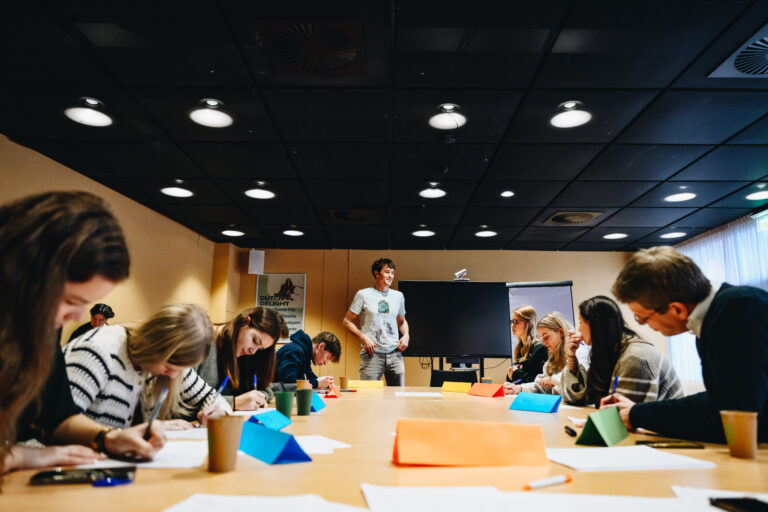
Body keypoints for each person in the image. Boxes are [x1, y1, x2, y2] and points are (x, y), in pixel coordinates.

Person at [0, 191, 165, 476]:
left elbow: (57, 417)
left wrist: (107, 437)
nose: (77, 317)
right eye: (71, 301)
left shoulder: (41, 323)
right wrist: (20, 455)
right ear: (23, 275)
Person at [603, 246, 768, 443]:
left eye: (642, 319)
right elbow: (724, 397)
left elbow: (732, 412)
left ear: (677, 310)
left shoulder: (737, 312)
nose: (646, 325)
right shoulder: (720, 313)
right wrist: (637, 411)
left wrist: (637, 414)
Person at [64, 303, 230, 429]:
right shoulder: (98, 350)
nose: (173, 375)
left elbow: (213, 398)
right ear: (155, 344)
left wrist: (217, 411)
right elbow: (59, 425)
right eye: (170, 367)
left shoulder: (170, 362)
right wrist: (133, 433)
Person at [562, 295, 683, 407]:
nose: (579, 329)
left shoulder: (635, 358)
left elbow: (621, 417)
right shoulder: (610, 352)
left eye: (580, 322)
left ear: (595, 326)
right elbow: (581, 397)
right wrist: (571, 358)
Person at [197, 307, 288, 411]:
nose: (252, 351)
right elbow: (187, 402)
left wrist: (256, 399)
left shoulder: (244, 353)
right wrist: (234, 403)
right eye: (255, 340)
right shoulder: (200, 339)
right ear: (245, 321)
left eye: (260, 349)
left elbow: (266, 390)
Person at [342, 258, 409, 386]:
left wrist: (406, 335)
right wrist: (363, 337)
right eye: (387, 272)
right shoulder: (363, 294)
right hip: (372, 355)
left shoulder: (398, 296)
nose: (390, 276)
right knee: (368, 397)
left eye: (392, 273)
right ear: (377, 273)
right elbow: (346, 321)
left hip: (395, 354)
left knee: (397, 397)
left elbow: (402, 322)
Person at [504, 311, 588, 395]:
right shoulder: (552, 359)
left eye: (546, 337)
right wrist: (519, 388)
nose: (543, 342)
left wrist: (552, 380)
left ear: (561, 332)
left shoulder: (579, 351)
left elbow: (578, 382)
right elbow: (541, 385)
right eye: (541, 338)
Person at [276, 330, 341, 389]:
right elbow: (288, 383)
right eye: (327, 357)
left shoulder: (305, 354)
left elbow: (309, 375)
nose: (325, 363)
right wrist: (316, 383)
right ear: (321, 346)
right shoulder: (295, 351)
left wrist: (325, 383)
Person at [506, 305, 547, 384]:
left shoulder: (541, 349)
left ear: (529, 323)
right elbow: (516, 379)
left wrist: (516, 373)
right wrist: (511, 374)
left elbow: (538, 383)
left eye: (516, 321)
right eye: (511, 322)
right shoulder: (519, 349)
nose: (512, 325)